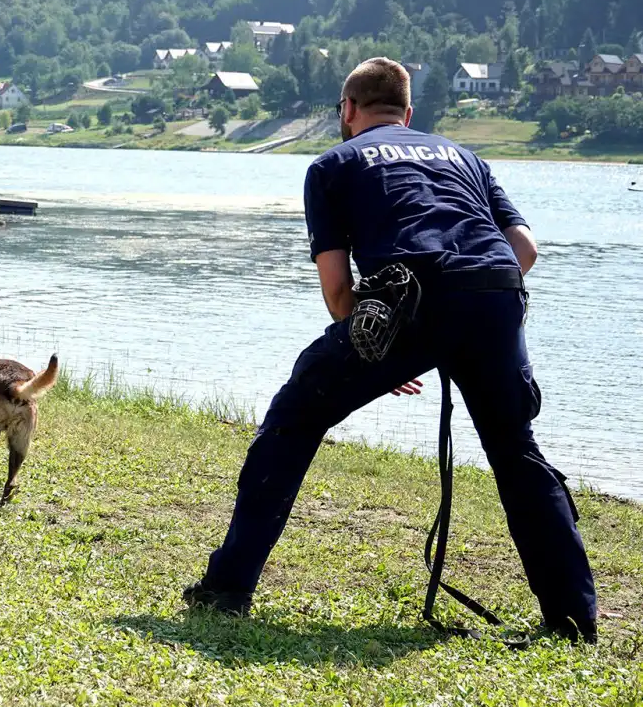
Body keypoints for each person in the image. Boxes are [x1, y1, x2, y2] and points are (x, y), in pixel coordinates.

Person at [183, 57, 598, 644]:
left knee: (294, 419)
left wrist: (382, 347)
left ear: (348, 111)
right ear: (409, 113)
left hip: (408, 301)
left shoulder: (332, 164)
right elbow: (523, 250)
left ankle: (227, 588)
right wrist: (459, 333)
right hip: (496, 295)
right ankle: (573, 620)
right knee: (515, 451)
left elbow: (336, 291)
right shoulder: (465, 158)